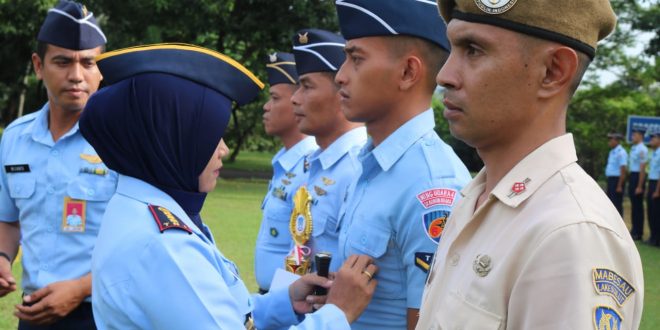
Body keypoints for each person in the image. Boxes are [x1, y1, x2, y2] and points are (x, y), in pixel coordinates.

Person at [79, 43, 378, 329]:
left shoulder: (144, 211)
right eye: (210, 137)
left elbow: (215, 314)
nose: (222, 149)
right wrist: (338, 313)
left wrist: (285, 303)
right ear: (173, 141)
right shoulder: (164, 247)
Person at [417, 0, 644, 328]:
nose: (445, 76)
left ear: (553, 72)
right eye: (454, 48)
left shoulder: (569, 235)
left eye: (474, 50)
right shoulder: (477, 199)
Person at [333, 1, 472, 328]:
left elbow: (426, 321)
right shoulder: (373, 164)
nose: (339, 76)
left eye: (356, 59)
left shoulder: (431, 184)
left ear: (408, 72)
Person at [0, 1, 116, 328]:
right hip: (34, 314)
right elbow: (8, 221)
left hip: (103, 314)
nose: (76, 75)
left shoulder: (124, 142)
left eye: (88, 63)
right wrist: (2, 258)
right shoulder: (15, 138)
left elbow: (150, 243)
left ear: (102, 69)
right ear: (38, 66)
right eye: (63, 62)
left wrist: (80, 289)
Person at [289, 28, 367, 274]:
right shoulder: (319, 161)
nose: (295, 99)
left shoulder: (357, 165)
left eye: (307, 87)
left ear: (340, 94)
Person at [255, 52, 318, 293]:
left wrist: (279, 308)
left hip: (287, 301)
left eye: (274, 98)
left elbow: (303, 252)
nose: (266, 106)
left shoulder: (310, 166)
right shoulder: (285, 162)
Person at [629, 128, 648, 240]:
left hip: (638, 177)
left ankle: (638, 232)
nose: (633, 137)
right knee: (633, 205)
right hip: (633, 176)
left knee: (638, 206)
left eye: (634, 135)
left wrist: (640, 186)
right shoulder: (634, 148)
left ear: (640, 136)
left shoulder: (643, 149)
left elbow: (642, 169)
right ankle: (634, 229)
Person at [605, 132, 627, 215]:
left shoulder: (621, 152)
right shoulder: (612, 152)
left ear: (617, 141)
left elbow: (623, 169)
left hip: (617, 180)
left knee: (616, 204)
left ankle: (619, 225)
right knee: (610, 203)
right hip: (611, 180)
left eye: (611, 139)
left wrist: (619, 185)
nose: (609, 141)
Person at [647, 132, 660, 246]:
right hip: (652, 182)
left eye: (654, 138)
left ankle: (657, 239)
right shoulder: (655, 153)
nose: (651, 140)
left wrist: (657, 190)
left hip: (657, 184)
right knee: (651, 211)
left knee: (656, 213)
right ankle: (653, 236)